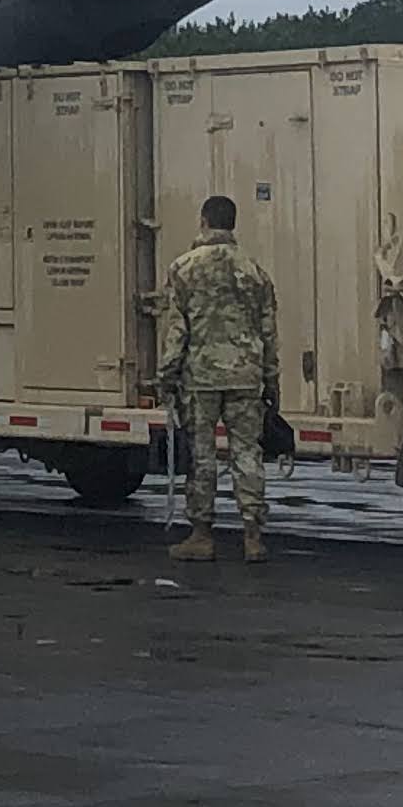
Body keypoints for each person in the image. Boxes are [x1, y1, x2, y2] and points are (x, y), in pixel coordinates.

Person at [156, 192, 277, 564]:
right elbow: (269, 332)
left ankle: (202, 535)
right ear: (233, 224)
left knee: (202, 455)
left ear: (203, 221)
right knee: (247, 454)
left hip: (202, 377)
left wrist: (166, 376)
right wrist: (272, 381)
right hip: (246, 375)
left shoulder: (183, 269)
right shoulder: (255, 272)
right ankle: (253, 536)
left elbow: (177, 331)